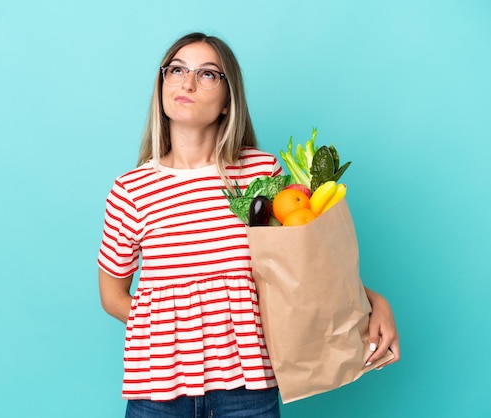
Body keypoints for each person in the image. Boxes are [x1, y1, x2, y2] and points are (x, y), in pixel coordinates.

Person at [97, 32, 400, 418]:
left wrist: (376, 301)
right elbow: (113, 296)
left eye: (207, 74)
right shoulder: (131, 189)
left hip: (248, 387)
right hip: (158, 388)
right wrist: (177, 329)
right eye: (176, 70)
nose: (187, 83)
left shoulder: (260, 173)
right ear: (162, 86)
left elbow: (302, 272)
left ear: (228, 100)